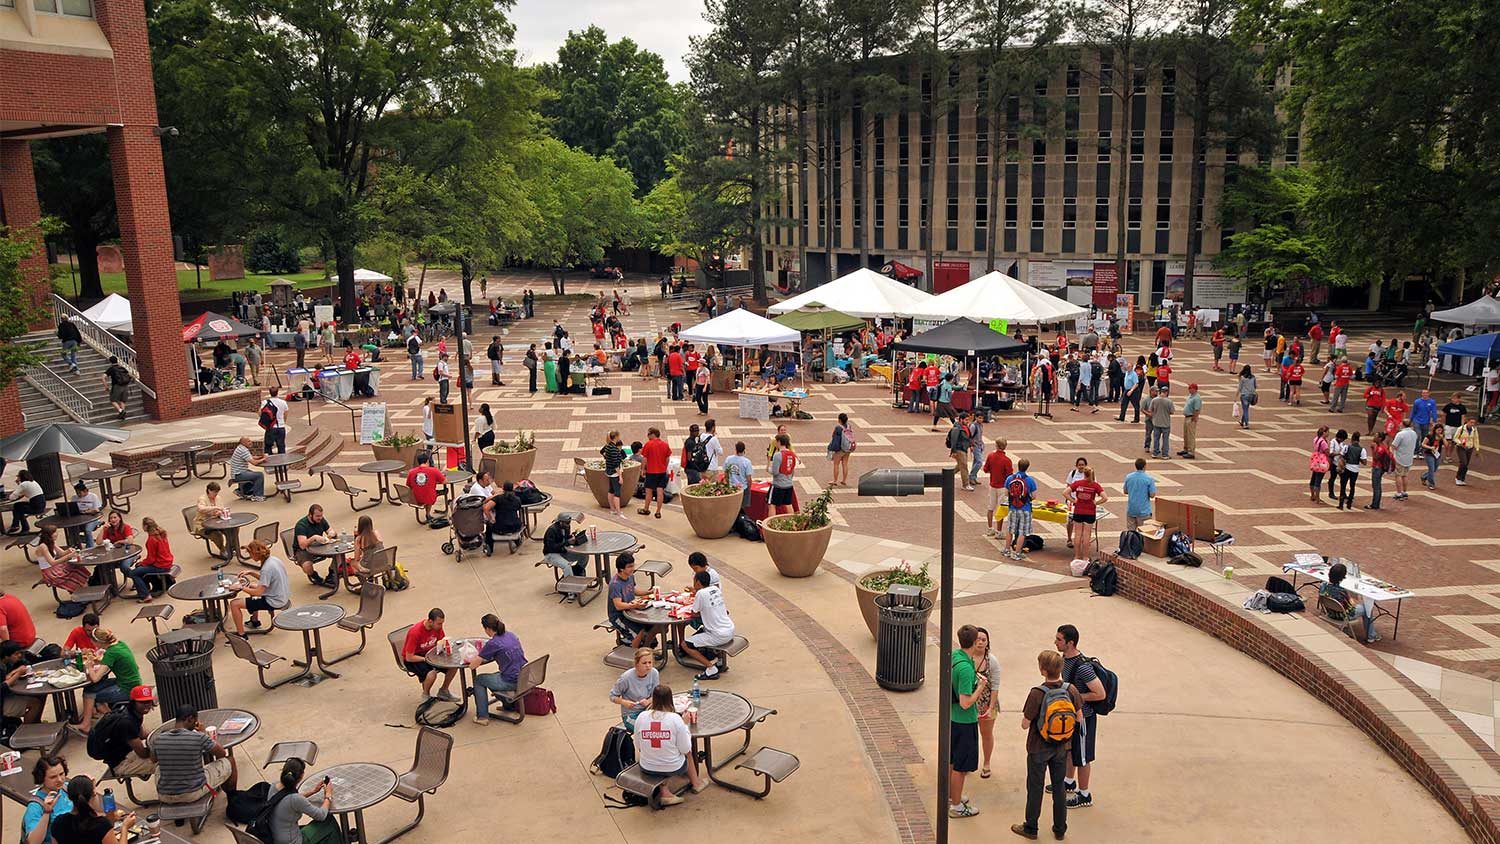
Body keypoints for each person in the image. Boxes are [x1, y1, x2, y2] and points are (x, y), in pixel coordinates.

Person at [1012, 650, 1084, 841]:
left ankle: (1031, 827)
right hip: (1062, 747)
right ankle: (1060, 829)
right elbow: (1079, 717)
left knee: (1035, 788)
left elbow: (1025, 724)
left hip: (1038, 748)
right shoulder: (1071, 690)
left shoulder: (1037, 693)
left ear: (1043, 670)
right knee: (1059, 788)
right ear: (1060, 668)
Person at [1054, 624, 1106, 810]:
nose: (1055, 642)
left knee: (1083, 757)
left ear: (1070, 643)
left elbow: (1100, 693)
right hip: (1071, 716)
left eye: (1059, 640)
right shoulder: (1064, 659)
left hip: (1084, 718)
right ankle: (1069, 782)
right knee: (1070, 751)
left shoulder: (1083, 667)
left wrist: (1075, 697)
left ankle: (1084, 794)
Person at [149, 705, 238, 805]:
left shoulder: (158, 738)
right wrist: (203, 733)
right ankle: (233, 800)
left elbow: (153, 759)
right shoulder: (198, 737)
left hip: (164, 795)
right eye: (195, 721)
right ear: (190, 719)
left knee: (159, 768)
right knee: (230, 760)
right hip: (192, 793)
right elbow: (221, 753)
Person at [633, 685, 707, 805]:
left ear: (654, 699)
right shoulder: (675, 719)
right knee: (687, 753)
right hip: (673, 767)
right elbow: (685, 748)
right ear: (670, 699)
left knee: (654, 750)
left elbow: (638, 745)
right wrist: (684, 725)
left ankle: (664, 790)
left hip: (646, 766)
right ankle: (696, 783)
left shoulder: (641, 717)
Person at [948, 624, 987, 819]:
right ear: (973, 642)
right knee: (961, 767)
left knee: (952, 761)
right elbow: (965, 702)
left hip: (952, 718)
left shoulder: (956, 656)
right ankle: (956, 806)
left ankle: (952, 795)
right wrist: (980, 686)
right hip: (964, 721)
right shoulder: (965, 669)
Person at [86, 684, 157, 780]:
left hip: (128, 752)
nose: (147, 705)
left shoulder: (133, 712)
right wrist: (163, 750)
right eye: (142, 702)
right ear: (133, 702)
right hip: (121, 764)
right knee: (166, 764)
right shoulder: (127, 722)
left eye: (148, 701)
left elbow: (142, 734)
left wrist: (161, 734)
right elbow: (143, 753)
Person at [76, 627, 140, 732]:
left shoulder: (111, 653)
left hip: (127, 688)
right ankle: (89, 721)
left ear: (98, 642)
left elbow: (95, 678)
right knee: (89, 689)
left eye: (92, 641)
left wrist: (89, 667)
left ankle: (113, 721)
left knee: (92, 695)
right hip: (129, 681)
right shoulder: (120, 644)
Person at [469, 614, 526, 725]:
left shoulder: (493, 643)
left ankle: (482, 716)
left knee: (479, 680)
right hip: (523, 675)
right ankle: (508, 705)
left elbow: (473, 666)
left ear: (488, 629)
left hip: (511, 680)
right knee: (494, 676)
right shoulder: (510, 635)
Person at [268, 757, 341, 844]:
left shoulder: (274, 786)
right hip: (293, 841)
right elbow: (321, 815)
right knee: (329, 821)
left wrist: (313, 791)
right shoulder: (295, 799)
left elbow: (285, 798)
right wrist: (328, 795)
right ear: (301, 776)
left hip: (275, 837)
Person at [681, 570, 735, 680]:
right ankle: (719, 661)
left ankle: (711, 668)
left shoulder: (700, 593)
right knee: (703, 630)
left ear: (698, 583)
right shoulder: (715, 589)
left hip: (718, 635)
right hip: (730, 629)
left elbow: (694, 612)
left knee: (685, 644)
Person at [228, 541, 290, 635]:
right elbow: (267, 580)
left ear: (255, 554)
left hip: (273, 601)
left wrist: (241, 587)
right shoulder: (274, 560)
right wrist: (251, 573)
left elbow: (258, 592)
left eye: (250, 554)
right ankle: (254, 621)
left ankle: (241, 635)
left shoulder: (266, 568)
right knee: (252, 585)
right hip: (281, 595)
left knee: (234, 604)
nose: (250, 556)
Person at [402, 608, 458, 700]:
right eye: (439, 623)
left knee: (453, 665)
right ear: (430, 621)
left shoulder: (437, 627)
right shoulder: (415, 632)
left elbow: (441, 642)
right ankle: (426, 695)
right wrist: (426, 659)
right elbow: (409, 657)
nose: (441, 626)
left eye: (442, 623)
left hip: (430, 654)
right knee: (432, 673)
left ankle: (444, 690)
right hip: (415, 658)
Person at [1319, 562, 1380, 644]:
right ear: (1342, 577)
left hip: (1330, 612)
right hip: (1342, 616)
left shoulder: (1323, 586)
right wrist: (1351, 600)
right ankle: (1371, 636)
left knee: (1360, 607)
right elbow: (1350, 611)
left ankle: (1352, 631)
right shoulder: (1341, 592)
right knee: (1367, 609)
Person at [22, 756, 76, 844]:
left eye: (61, 774)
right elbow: (33, 842)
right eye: (53, 777)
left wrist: (92, 793)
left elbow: (98, 811)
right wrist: (46, 813)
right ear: (41, 778)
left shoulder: (68, 788)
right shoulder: (35, 806)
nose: (59, 780)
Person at [974, 627, 1002, 780]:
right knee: (968, 734)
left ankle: (986, 763)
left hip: (986, 703)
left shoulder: (992, 661)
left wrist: (990, 707)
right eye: (977, 639)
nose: (980, 642)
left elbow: (995, 686)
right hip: (969, 702)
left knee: (986, 734)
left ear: (987, 642)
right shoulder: (967, 658)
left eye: (983, 640)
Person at [608, 554, 653, 648]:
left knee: (652, 625)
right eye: (629, 567)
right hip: (618, 615)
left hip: (631, 611)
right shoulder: (615, 584)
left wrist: (649, 592)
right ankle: (632, 654)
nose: (633, 568)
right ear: (621, 569)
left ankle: (645, 648)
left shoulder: (630, 577)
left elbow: (634, 590)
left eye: (633, 565)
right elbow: (618, 605)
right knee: (637, 632)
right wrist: (635, 606)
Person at [610, 647, 660, 730]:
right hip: (631, 714)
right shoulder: (626, 678)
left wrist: (648, 701)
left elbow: (656, 694)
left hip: (648, 710)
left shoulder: (654, 673)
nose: (648, 666)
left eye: (650, 662)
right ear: (637, 664)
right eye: (644, 663)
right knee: (646, 731)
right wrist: (624, 702)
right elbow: (612, 696)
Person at [32, 527, 89, 596]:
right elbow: (52, 562)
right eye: (54, 532)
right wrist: (68, 556)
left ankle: (85, 589)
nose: (57, 534)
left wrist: (68, 551)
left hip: (56, 568)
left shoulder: (51, 542)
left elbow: (61, 553)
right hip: (50, 572)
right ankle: (81, 591)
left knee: (77, 567)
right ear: (48, 535)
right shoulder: (43, 547)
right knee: (74, 573)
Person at [1066, 468, 1107, 562]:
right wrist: (1096, 503)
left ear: (1084, 474)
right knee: (1086, 536)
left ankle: (1076, 556)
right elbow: (1105, 498)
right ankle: (1085, 557)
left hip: (1078, 511)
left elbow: (1065, 492)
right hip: (1090, 512)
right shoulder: (1095, 485)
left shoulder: (1077, 483)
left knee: (1077, 534)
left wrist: (1073, 500)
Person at [292, 504, 339, 586]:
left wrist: (332, 533)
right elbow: (302, 545)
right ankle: (314, 575)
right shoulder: (301, 525)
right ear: (310, 515)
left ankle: (331, 573)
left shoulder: (321, 520)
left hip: (319, 546)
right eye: (317, 516)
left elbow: (330, 531)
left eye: (321, 516)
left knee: (339, 554)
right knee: (307, 566)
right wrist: (314, 537)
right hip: (303, 550)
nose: (320, 518)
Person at [1002, 459, 1038, 562]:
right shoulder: (1030, 480)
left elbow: (1006, 493)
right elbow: (1034, 496)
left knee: (1010, 530)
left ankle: (1006, 550)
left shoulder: (1010, 478)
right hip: (1025, 509)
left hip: (1013, 508)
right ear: (1027, 467)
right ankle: (1017, 553)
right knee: (1022, 532)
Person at [2, 641, 44, 724]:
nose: (19, 656)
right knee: (35, 703)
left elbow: (4, 678)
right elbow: (3, 686)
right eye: (16, 654)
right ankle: (26, 731)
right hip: (2, 703)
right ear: (6, 656)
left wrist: (16, 671)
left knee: (39, 695)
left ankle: (35, 723)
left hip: (6, 697)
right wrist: (18, 674)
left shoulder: (5, 664)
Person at [981, 438, 1014, 539]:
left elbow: (985, 469)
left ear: (996, 445)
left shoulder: (991, 456)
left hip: (992, 485)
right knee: (1000, 509)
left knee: (990, 507)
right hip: (1002, 487)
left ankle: (990, 528)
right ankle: (999, 531)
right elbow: (1010, 476)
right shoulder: (1007, 460)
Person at [192, 482, 233, 561]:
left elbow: (221, 509)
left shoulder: (218, 498)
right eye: (214, 492)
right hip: (202, 525)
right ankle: (223, 550)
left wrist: (219, 512)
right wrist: (214, 508)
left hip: (216, 522)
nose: (216, 494)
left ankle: (228, 547)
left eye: (217, 492)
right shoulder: (202, 499)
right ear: (209, 490)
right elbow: (201, 508)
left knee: (232, 530)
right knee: (217, 535)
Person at [542, 512, 589, 580]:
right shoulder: (552, 530)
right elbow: (551, 547)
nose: (568, 524)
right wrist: (567, 542)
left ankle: (575, 572)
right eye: (567, 523)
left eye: (569, 522)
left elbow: (565, 538)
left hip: (562, 551)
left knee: (584, 556)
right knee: (566, 566)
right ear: (560, 522)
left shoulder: (566, 527)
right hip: (551, 554)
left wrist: (573, 537)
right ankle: (569, 585)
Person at [482, 482, 525, 554]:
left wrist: (491, 519)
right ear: (513, 489)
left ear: (503, 489)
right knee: (514, 521)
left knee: (489, 525)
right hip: (515, 527)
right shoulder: (517, 499)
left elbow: (486, 508)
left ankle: (490, 547)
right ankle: (517, 541)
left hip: (500, 528)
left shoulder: (498, 498)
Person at [639, 427, 672, 518]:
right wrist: (664, 467)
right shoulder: (665, 445)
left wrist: (643, 470)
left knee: (648, 491)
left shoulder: (648, 444)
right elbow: (667, 458)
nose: (647, 436)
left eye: (648, 434)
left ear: (653, 434)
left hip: (651, 472)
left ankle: (646, 509)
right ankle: (658, 512)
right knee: (660, 491)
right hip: (662, 472)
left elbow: (644, 459)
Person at [405, 452, 446, 522]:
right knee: (442, 491)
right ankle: (428, 514)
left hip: (415, 498)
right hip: (429, 498)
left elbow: (408, 484)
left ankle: (428, 514)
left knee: (425, 491)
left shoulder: (411, 472)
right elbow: (444, 481)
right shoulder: (434, 470)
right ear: (427, 461)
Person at [6, 469, 46, 535]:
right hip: (41, 504)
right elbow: (22, 491)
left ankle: (22, 527)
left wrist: (18, 484)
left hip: (35, 507)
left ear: (21, 477)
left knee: (18, 509)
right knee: (17, 505)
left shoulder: (23, 484)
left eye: (18, 476)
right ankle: (15, 525)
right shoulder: (33, 482)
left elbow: (12, 497)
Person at [229, 436, 267, 501]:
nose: (251, 442)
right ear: (243, 443)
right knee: (259, 475)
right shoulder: (243, 450)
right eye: (248, 441)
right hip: (238, 475)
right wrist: (264, 459)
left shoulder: (240, 448)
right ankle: (258, 496)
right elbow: (254, 463)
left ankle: (241, 491)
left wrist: (260, 457)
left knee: (252, 473)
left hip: (237, 473)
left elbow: (250, 457)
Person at [1122, 457, 1156, 531]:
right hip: (1144, 511)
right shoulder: (1149, 479)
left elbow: (1125, 491)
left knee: (1131, 533)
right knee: (1145, 533)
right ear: (1144, 466)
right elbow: (1152, 495)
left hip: (1131, 509)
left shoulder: (1129, 477)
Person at [768, 434, 798, 515]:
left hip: (778, 484)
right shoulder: (792, 454)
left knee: (771, 504)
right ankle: (792, 523)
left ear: (779, 442)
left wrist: (769, 469)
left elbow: (775, 472)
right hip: (789, 484)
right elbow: (792, 470)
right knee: (788, 504)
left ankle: (771, 524)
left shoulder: (777, 455)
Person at [600, 430, 626, 516]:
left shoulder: (608, 447)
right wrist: (620, 476)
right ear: (616, 437)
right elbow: (616, 464)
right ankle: (618, 512)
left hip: (609, 471)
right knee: (617, 493)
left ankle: (612, 509)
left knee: (611, 490)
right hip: (615, 473)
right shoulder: (614, 449)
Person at [1337, 432, 1366, 510]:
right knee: (1352, 486)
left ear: (1352, 439)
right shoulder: (1362, 450)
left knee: (1343, 485)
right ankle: (1349, 502)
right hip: (1355, 469)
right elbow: (1364, 462)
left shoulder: (1347, 447)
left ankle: (1341, 503)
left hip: (1347, 468)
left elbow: (1341, 456)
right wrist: (1358, 458)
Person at [1390, 420, 1417, 502]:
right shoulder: (1414, 433)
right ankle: (1404, 492)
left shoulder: (1400, 434)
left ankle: (1398, 493)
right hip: (1409, 457)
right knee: (1405, 475)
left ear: (1403, 424)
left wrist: (1391, 454)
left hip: (1399, 457)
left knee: (1398, 475)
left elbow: (1394, 446)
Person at [723, 441, 755, 510]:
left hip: (731, 488)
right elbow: (749, 478)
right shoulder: (747, 462)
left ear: (736, 449)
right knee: (742, 509)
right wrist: (748, 488)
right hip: (742, 488)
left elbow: (725, 474)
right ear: (744, 450)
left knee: (732, 508)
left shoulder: (728, 459)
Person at [1146, 385, 1175, 459]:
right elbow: (1172, 412)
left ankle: (1155, 453)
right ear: (1167, 392)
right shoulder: (1169, 401)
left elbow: (1150, 410)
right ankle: (1165, 454)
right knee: (1165, 439)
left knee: (1156, 438)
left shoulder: (1154, 400)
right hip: (1165, 423)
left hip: (1156, 422)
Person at [102, 356, 132, 422]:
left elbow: (103, 377)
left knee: (113, 400)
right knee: (122, 400)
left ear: (110, 361)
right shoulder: (122, 368)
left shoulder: (111, 369)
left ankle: (120, 411)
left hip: (117, 386)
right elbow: (129, 375)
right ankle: (122, 415)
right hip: (125, 385)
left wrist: (106, 386)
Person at [261, 388, 289, 456]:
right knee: (281, 446)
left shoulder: (265, 402)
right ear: (277, 392)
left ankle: (270, 463)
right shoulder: (283, 402)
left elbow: (260, 412)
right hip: (281, 427)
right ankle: (282, 464)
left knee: (268, 447)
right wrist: (283, 422)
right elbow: (286, 413)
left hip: (271, 427)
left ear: (269, 392)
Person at [1178, 383, 1203, 459]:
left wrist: (1195, 418)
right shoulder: (1190, 396)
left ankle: (1191, 452)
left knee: (1190, 435)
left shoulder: (1197, 398)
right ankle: (1186, 449)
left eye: (1191, 388)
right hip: (1186, 417)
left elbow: (1197, 409)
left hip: (1191, 417)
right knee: (1186, 434)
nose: (1189, 389)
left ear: (1195, 389)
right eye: (1189, 388)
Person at [1454, 416, 1480, 486]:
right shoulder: (1461, 429)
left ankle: (1462, 478)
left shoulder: (1474, 430)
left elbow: (1476, 439)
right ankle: (1458, 478)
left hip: (1470, 448)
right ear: (1467, 422)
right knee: (1463, 462)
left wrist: (1477, 449)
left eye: (1473, 423)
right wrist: (1460, 443)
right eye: (1471, 422)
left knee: (1466, 464)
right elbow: (1455, 438)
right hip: (1461, 447)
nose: (1472, 424)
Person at [1310, 426, 1332, 504]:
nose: (1329, 433)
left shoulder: (1316, 439)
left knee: (1313, 477)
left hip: (1315, 459)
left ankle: (1312, 495)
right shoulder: (1323, 442)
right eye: (1328, 432)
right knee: (1318, 479)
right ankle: (1318, 498)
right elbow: (1327, 453)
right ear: (1324, 433)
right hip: (1321, 461)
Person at [1419, 426, 1445, 491]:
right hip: (1429, 454)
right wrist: (1430, 447)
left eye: (1441, 430)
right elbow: (1423, 444)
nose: (1439, 432)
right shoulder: (1429, 436)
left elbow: (1447, 445)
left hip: (1437, 454)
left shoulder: (1442, 437)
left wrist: (1443, 438)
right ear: (1435, 430)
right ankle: (1431, 484)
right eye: (1438, 430)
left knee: (1435, 469)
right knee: (1431, 468)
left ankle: (1424, 476)